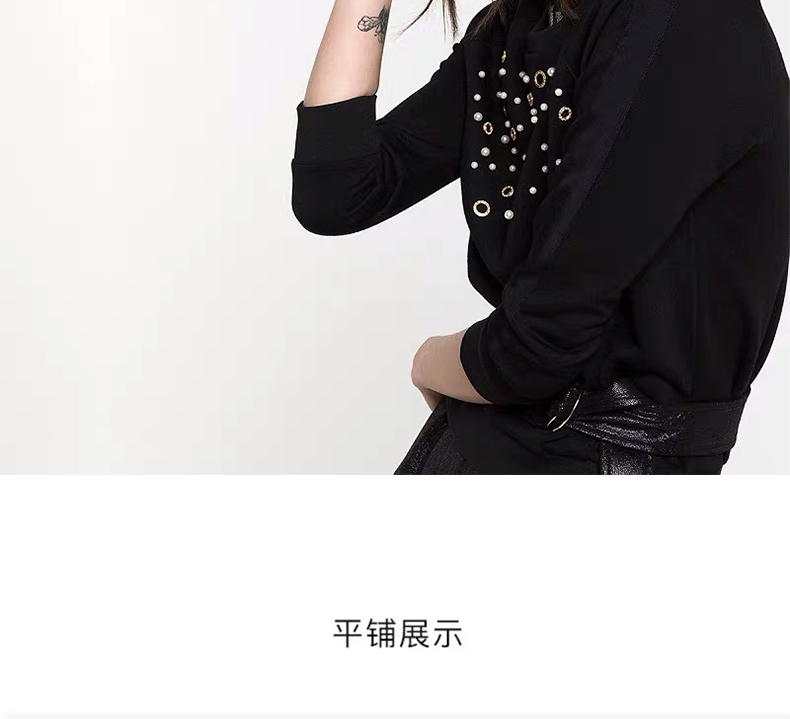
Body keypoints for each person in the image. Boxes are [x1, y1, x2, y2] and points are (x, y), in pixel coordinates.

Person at [290, 0, 789, 475]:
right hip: (497, 448)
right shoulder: (517, 27)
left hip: (606, 466)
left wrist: (429, 363)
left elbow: (535, 348)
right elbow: (337, 191)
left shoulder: (682, 20)